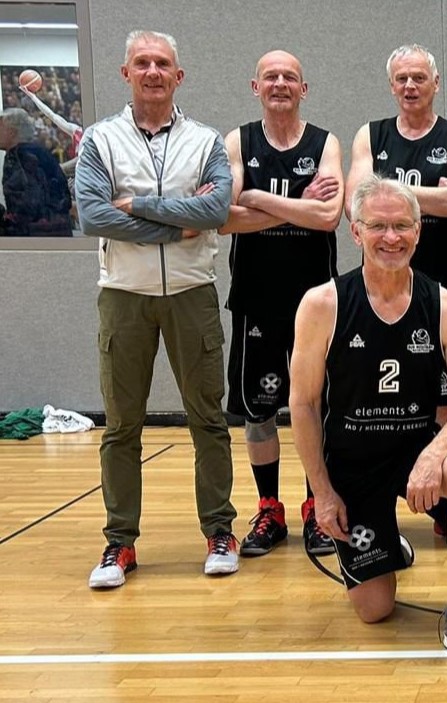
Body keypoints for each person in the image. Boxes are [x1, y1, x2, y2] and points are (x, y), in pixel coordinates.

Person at [288, 175, 447, 674]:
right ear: (355, 232)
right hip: (352, 462)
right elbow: (303, 404)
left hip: (414, 451)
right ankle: (383, 539)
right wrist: (322, 493)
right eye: (378, 226)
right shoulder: (323, 304)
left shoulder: (445, 304)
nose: (391, 237)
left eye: (402, 225)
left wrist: (432, 454)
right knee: (374, 610)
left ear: (419, 231)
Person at [77, 31, 238, 589]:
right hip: (124, 295)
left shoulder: (205, 140)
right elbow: (94, 215)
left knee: (208, 419)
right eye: (142, 63)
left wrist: (140, 206)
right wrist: (177, 222)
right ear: (126, 74)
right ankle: (119, 543)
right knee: (121, 425)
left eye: (162, 63)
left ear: (178, 75)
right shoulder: (101, 139)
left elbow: (216, 208)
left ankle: (220, 531)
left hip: (193, 293)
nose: (152, 71)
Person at [218, 50, 343, 558]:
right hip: (256, 298)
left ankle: (319, 506)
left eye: (290, 76)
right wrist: (298, 203)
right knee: (259, 410)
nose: (280, 84)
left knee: (317, 405)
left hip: (317, 304)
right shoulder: (238, 141)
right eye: (271, 77)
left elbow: (330, 216)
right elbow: (224, 216)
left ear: (303, 88)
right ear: (255, 86)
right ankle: (270, 507)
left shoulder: (325, 142)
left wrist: (259, 199)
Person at [345, 44, 447, 445]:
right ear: (391, 86)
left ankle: (444, 463)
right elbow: (355, 205)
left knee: (442, 383)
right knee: (379, 376)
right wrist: (431, 195)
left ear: (436, 83)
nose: (410, 86)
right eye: (402, 78)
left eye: (419, 77)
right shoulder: (371, 134)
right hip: (381, 282)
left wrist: (384, 190)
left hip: (441, 278)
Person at [0, 107, 72, 236]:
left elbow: (27, 206)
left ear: (11, 131)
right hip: (54, 233)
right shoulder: (39, 152)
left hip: (37, 236)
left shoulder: (19, 157)